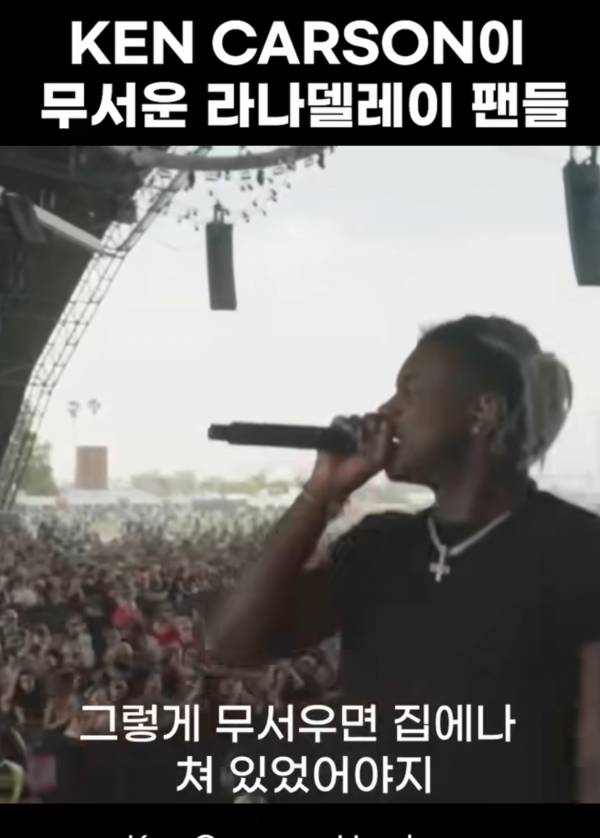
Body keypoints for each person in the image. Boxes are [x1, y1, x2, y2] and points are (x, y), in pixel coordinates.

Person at [210, 314, 600, 803]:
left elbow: (593, 761)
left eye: (409, 392)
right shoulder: (380, 546)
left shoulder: (579, 550)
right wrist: (321, 493)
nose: (386, 410)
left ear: (482, 413)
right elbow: (233, 643)